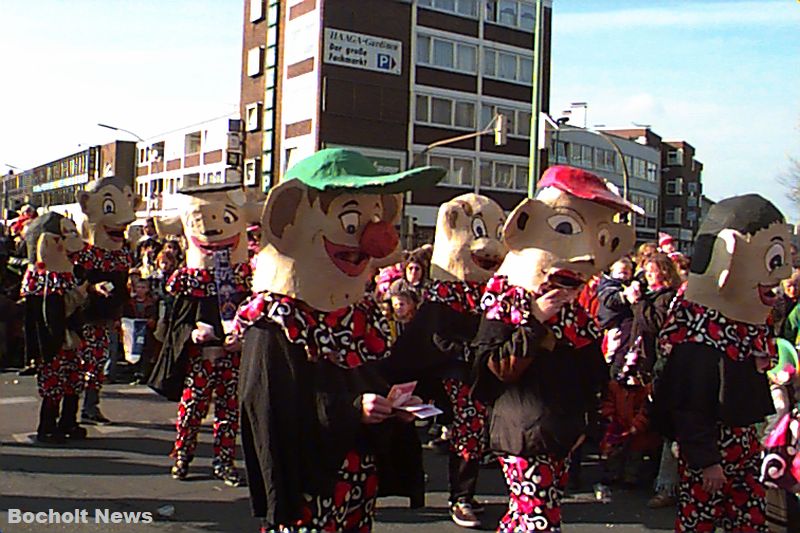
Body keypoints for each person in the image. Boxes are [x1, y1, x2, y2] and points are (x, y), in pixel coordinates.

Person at [236, 149, 443, 532]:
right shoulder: (275, 323)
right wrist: (350, 410)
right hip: (309, 489)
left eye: (374, 218)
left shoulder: (356, 314)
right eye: (351, 219)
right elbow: (271, 414)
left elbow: (369, 378)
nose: (372, 239)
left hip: (358, 479)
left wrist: (393, 403)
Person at [471, 165, 639, 532]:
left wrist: (589, 421)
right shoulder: (505, 297)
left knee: (529, 514)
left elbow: (589, 370)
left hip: (558, 433)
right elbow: (492, 369)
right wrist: (535, 320)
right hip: (523, 433)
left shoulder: (574, 310)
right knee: (537, 518)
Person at [653, 194, 792, 532]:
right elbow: (689, 407)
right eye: (775, 259)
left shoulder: (737, 333)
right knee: (700, 521)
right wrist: (707, 461)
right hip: (714, 450)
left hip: (743, 446)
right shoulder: (700, 340)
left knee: (748, 521)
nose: (785, 272)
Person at [382, 193, 507, 529]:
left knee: (479, 434)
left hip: (483, 370)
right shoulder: (444, 291)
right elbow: (438, 339)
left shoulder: (490, 290)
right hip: (456, 371)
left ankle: (468, 493)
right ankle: (461, 497)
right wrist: (473, 352)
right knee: (468, 431)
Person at [147, 183, 260, 487]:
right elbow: (178, 321)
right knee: (192, 407)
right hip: (201, 356)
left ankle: (224, 462)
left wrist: (242, 335)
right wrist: (194, 331)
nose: (212, 231)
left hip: (232, 354)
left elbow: (256, 313)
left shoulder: (245, 278)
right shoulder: (189, 279)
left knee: (228, 410)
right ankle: (182, 455)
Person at [70, 175, 136, 424]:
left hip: (108, 314)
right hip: (85, 315)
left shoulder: (122, 253)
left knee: (96, 363)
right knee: (80, 363)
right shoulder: (84, 254)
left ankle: (90, 406)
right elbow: (76, 281)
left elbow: (122, 281)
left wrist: (122, 309)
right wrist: (92, 287)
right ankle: (72, 409)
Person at [21, 213, 88, 442]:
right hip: (52, 342)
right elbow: (44, 316)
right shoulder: (43, 279)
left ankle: (69, 421)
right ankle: (47, 426)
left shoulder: (67, 273)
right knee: (53, 384)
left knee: (73, 381)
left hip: (71, 339)